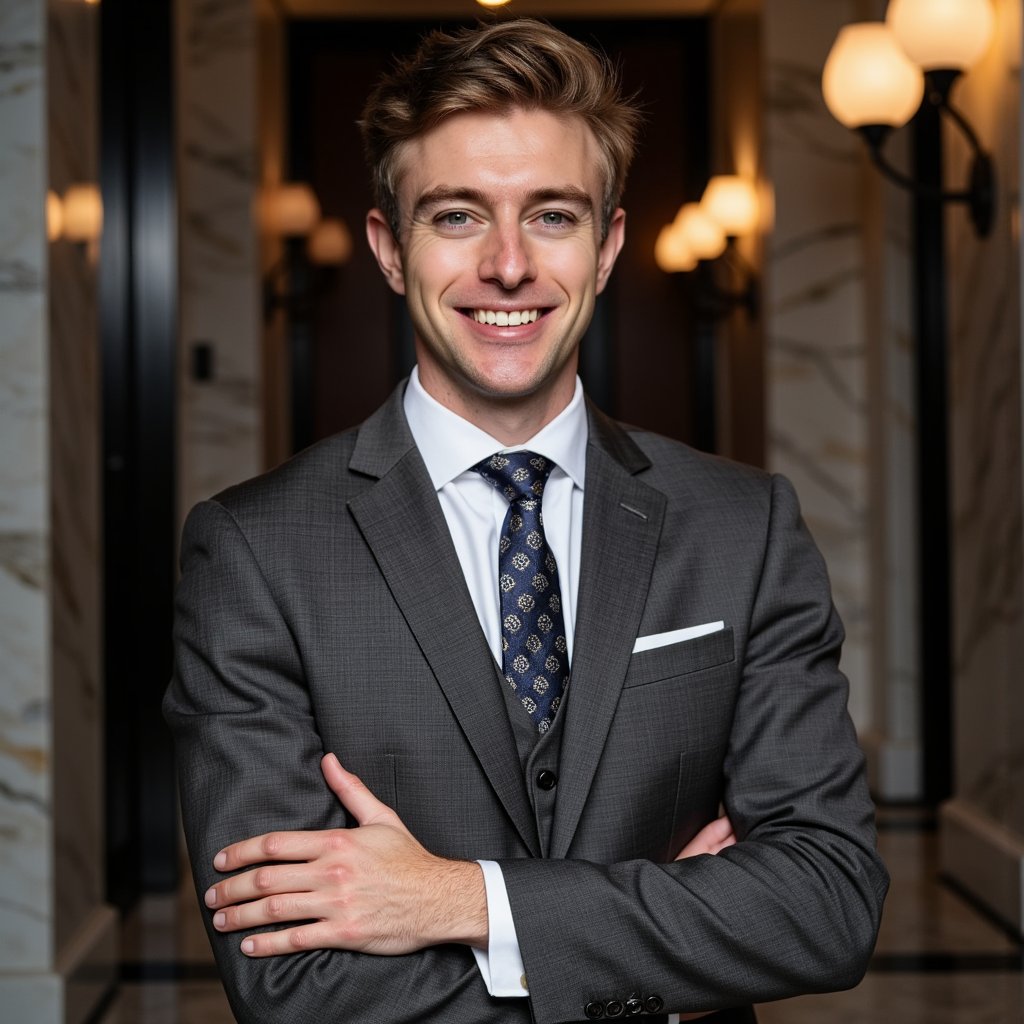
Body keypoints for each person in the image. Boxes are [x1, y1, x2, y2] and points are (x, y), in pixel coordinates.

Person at [164, 18, 887, 1024]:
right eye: (457, 216)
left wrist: (461, 900)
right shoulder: (253, 552)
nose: (508, 265)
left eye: (551, 215)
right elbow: (292, 987)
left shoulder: (744, 526)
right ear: (389, 248)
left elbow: (827, 905)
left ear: (608, 246)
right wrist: (665, 973)